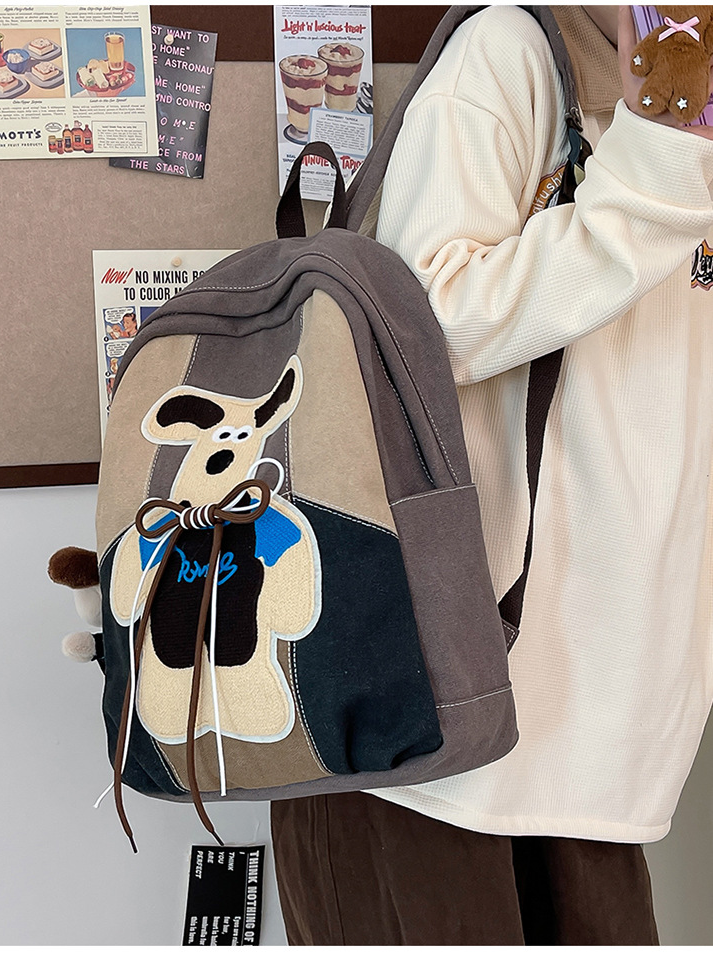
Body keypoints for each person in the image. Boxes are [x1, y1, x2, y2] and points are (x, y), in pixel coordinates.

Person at [270, 5, 713, 945]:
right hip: (449, 719)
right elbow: (429, 323)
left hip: (603, 720)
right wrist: (658, 154)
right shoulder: (511, 53)